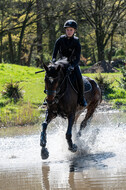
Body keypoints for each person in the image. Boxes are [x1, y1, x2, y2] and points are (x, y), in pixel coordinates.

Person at [52, 19, 87, 107]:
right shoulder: (60, 39)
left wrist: (72, 66)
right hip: (61, 63)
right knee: (50, 77)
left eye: (71, 30)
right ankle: (48, 98)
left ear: (74, 31)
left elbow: (78, 57)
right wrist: (53, 61)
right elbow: (54, 53)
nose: (69, 31)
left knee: (79, 78)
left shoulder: (76, 41)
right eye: (67, 30)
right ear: (65, 30)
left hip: (72, 64)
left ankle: (81, 98)